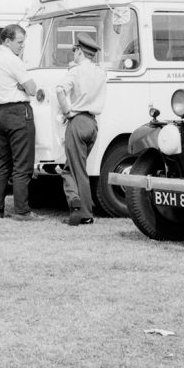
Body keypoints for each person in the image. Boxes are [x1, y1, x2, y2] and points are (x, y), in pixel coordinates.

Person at [0, 23, 39, 220]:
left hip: (0, 111)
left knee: (3, 163)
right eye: (19, 42)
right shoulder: (13, 60)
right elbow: (32, 89)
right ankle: (22, 210)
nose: (21, 46)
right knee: (22, 164)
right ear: (7, 41)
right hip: (18, 112)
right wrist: (22, 86)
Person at [54, 33, 107, 226]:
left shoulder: (75, 71)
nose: (73, 55)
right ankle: (81, 204)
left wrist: (67, 111)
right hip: (92, 124)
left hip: (77, 121)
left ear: (79, 51)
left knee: (74, 169)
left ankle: (82, 210)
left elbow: (60, 89)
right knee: (75, 167)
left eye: (74, 51)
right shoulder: (101, 72)